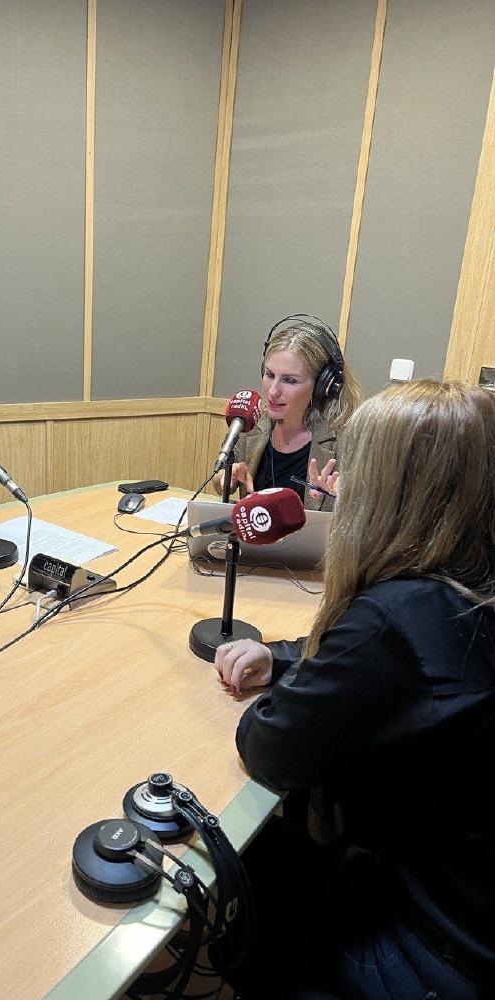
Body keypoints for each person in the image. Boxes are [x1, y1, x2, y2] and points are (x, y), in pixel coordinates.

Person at [215, 381, 495, 999]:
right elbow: (397, 676)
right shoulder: (467, 589)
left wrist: (288, 690)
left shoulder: (396, 616)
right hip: (473, 905)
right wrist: (287, 660)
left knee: (227, 906)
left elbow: (269, 746)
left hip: (435, 954)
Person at [214, 314, 362, 510]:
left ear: (322, 387)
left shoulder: (347, 440)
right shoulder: (252, 422)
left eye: (290, 380)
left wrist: (344, 499)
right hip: (256, 539)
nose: (273, 391)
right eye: (269, 375)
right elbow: (219, 482)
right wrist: (228, 476)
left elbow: (366, 517)